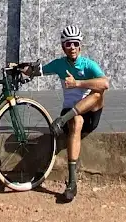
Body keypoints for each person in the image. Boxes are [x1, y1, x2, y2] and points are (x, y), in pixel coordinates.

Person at [41, 25, 109, 202]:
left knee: (98, 93)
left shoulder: (89, 64)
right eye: (68, 44)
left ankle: (61, 120)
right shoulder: (59, 64)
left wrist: (77, 84)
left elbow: (105, 84)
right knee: (76, 123)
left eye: (75, 43)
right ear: (63, 46)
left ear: (80, 46)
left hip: (90, 111)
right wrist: (22, 68)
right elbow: (39, 70)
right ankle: (72, 182)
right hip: (73, 112)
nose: (72, 47)